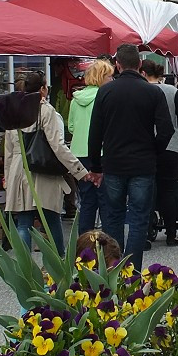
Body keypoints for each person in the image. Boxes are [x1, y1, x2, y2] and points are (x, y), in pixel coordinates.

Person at [86, 44, 173, 271]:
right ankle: (132, 271)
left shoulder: (105, 92)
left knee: (113, 217)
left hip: (113, 163)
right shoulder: (154, 92)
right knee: (138, 219)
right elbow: (166, 130)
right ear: (140, 65)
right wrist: (153, 150)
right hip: (143, 164)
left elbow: (94, 132)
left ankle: (114, 267)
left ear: (117, 65)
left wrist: (95, 165)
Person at [4, 71, 90, 255]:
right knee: (52, 218)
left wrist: (7, 176)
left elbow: (8, 150)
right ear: (43, 89)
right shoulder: (45, 110)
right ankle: (59, 265)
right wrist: (79, 171)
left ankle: (24, 268)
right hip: (42, 166)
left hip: (19, 168)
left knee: (24, 221)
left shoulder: (14, 111)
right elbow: (57, 145)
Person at [140, 60, 178, 246]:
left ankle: (146, 234)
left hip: (145, 148)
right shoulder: (172, 91)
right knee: (168, 190)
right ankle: (171, 234)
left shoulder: (141, 91)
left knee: (146, 191)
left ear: (144, 73)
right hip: (170, 147)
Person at [67, 58, 114, 235]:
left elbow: (71, 126)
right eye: (109, 77)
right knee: (105, 200)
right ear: (102, 77)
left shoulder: (75, 99)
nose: (112, 80)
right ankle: (109, 243)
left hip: (79, 153)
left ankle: (83, 243)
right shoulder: (104, 97)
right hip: (101, 152)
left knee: (87, 201)